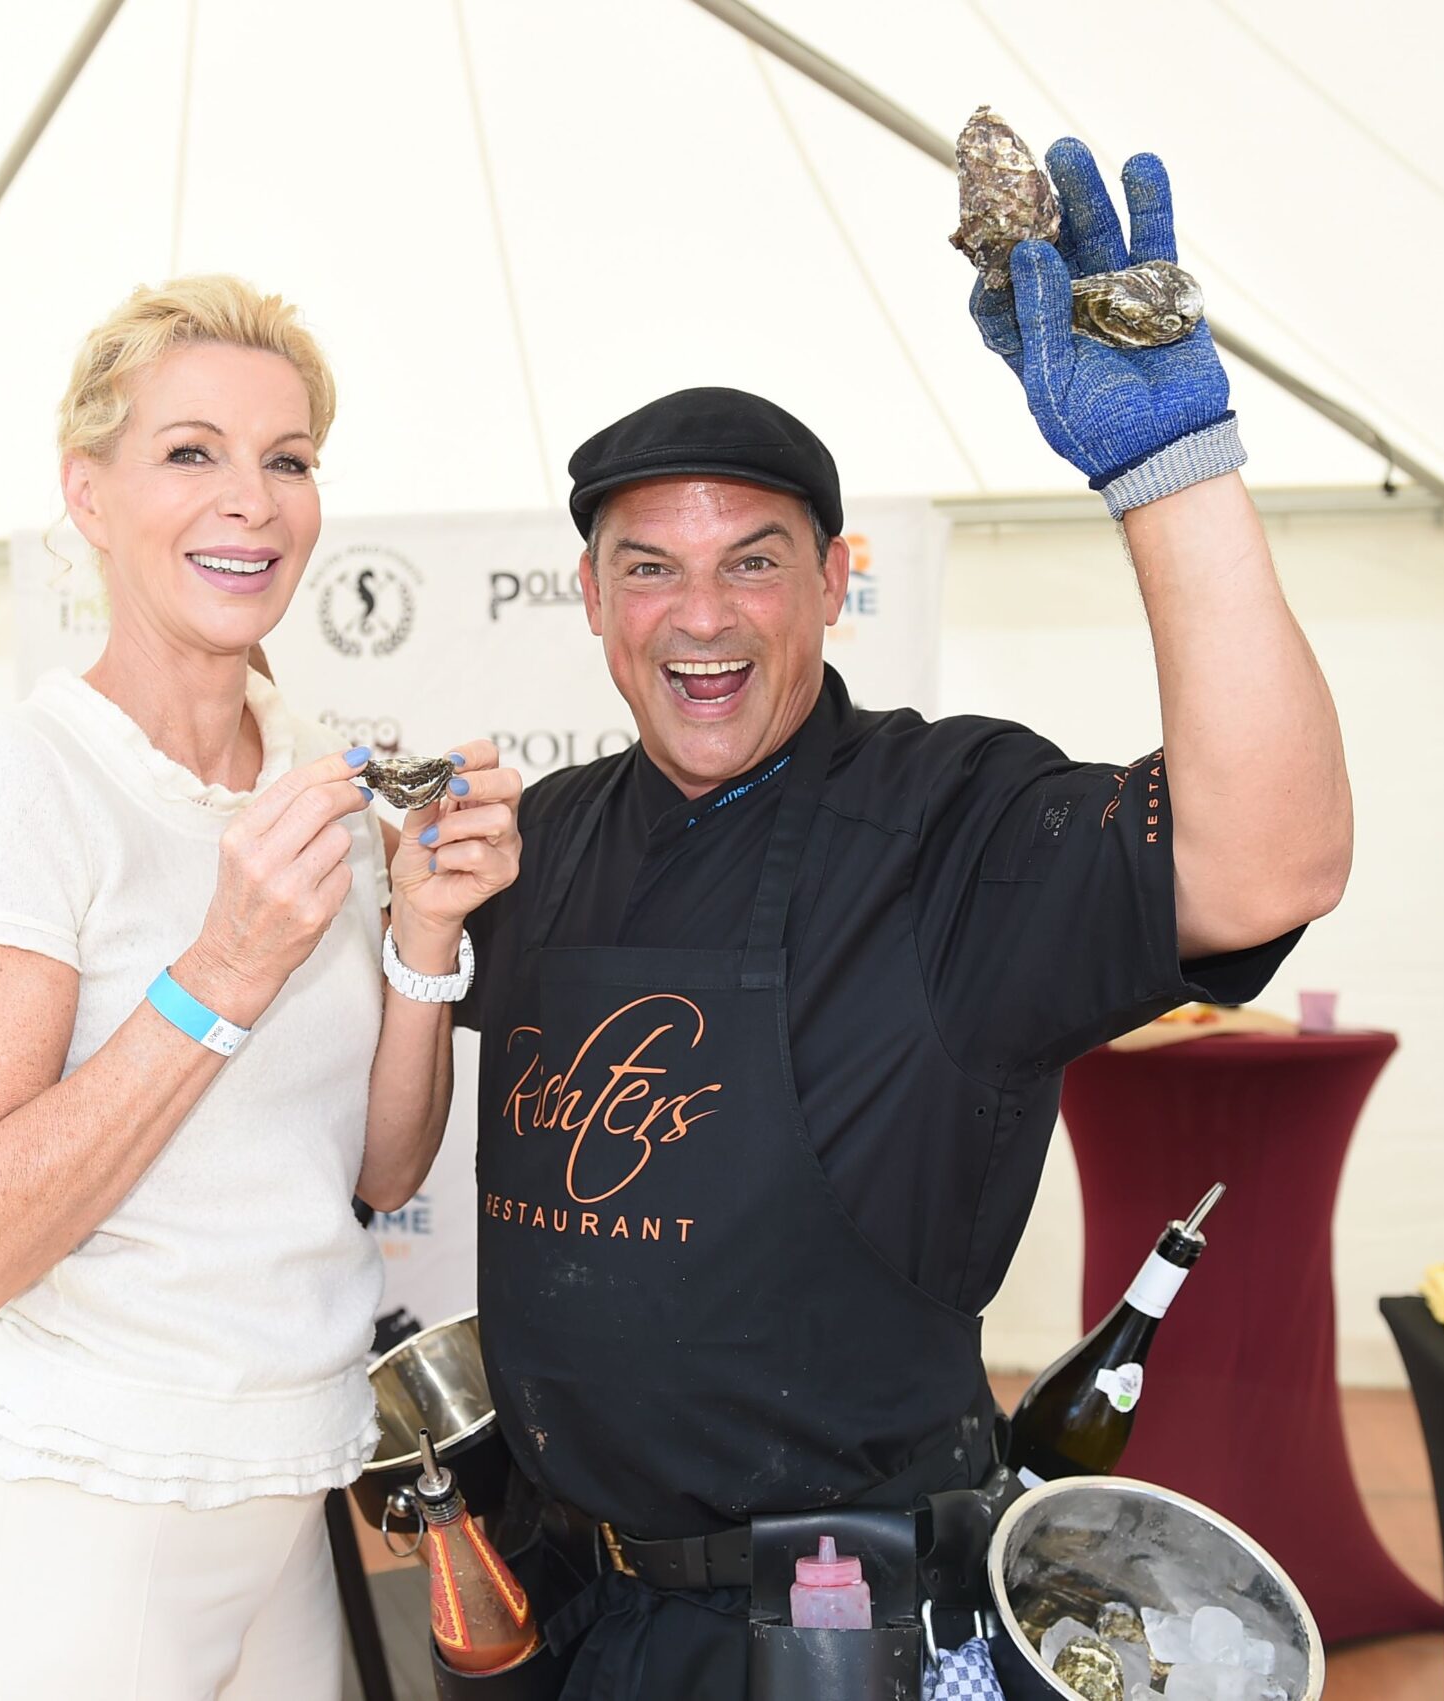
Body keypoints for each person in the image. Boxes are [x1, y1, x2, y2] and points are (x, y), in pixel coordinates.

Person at [455, 141, 1353, 1695]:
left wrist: (1173, 472)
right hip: (566, 1612)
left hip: (830, 1632)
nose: (703, 616)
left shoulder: (950, 820)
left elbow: (1269, 863)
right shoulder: (538, 841)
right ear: (591, 599)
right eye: (650, 568)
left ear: (833, 582)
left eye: (755, 563)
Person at [0, 275, 521, 1699]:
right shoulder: (21, 782)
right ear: (87, 494)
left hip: (283, 1500)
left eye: (288, 459)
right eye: (190, 452)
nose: (252, 501)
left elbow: (377, 1169)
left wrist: (421, 936)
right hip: (69, 1534)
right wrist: (223, 968)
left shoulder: (313, 780)